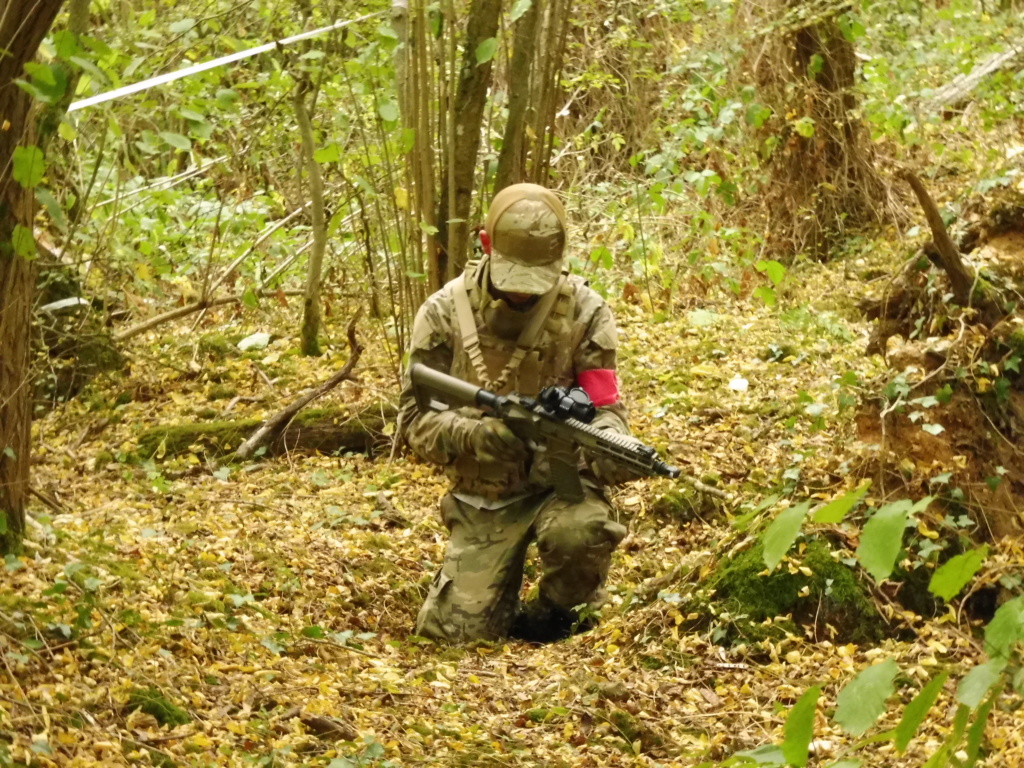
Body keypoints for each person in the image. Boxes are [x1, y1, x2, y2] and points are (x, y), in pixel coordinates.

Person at [398, 182, 641, 644]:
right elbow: (413, 422)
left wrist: (613, 444)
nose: (524, 296)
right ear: (485, 244)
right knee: (452, 636)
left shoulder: (587, 313)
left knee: (582, 534)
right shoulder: (444, 312)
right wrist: (476, 436)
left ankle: (555, 613)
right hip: (484, 498)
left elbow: (606, 405)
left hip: (560, 486)